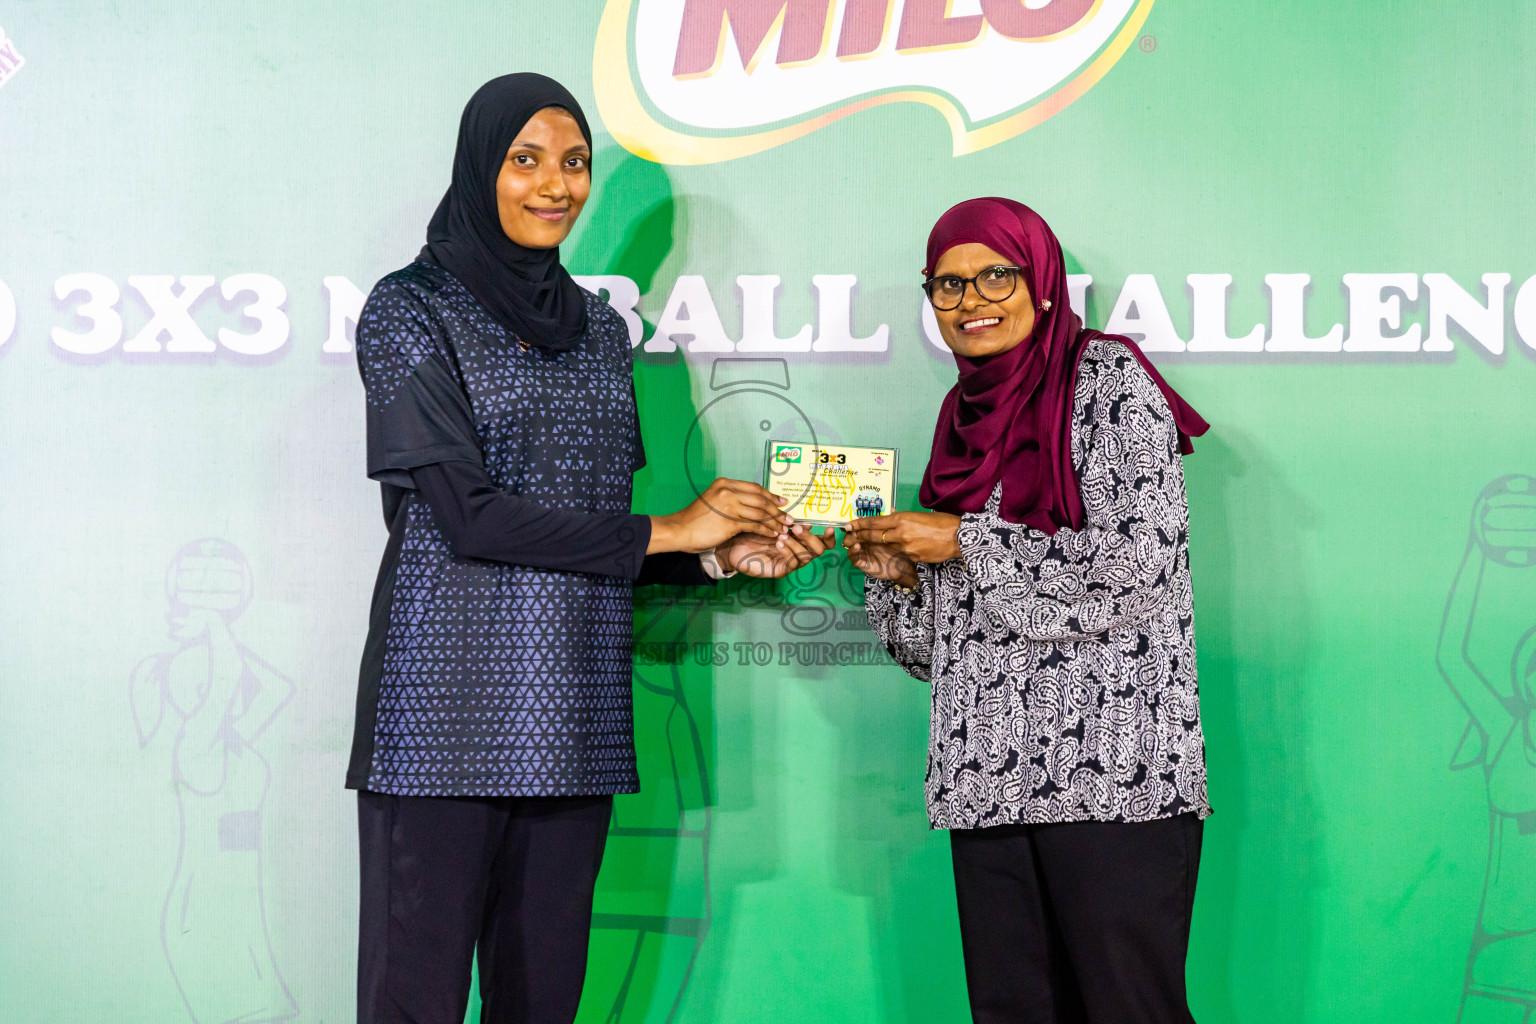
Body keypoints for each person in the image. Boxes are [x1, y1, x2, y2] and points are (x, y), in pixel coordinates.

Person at [346, 74, 832, 1024]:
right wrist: (675, 527)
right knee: (416, 1003)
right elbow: (469, 517)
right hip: (444, 715)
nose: (555, 185)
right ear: (481, 168)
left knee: (547, 1005)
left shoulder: (603, 333)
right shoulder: (410, 309)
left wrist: (717, 558)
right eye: (526, 161)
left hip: (574, 721)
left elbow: (596, 534)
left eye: (573, 163)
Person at [845, 197, 1212, 1023]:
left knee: (1129, 1011)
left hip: (1114, 780)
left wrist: (967, 543)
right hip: (986, 782)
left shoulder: (1110, 381)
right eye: (947, 285)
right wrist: (898, 577)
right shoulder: (959, 418)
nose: (971, 301)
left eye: (994, 276)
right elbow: (942, 652)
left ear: (1042, 283)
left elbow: (1138, 565)